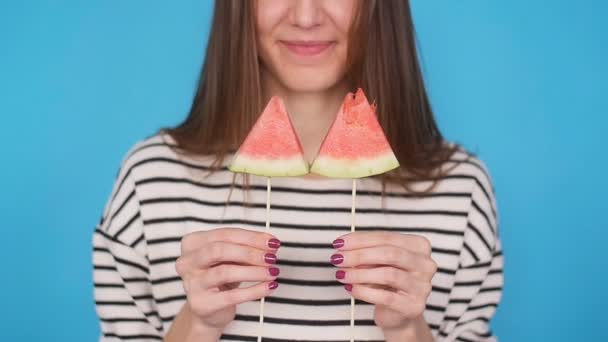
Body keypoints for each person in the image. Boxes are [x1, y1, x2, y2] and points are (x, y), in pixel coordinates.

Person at [92, 0, 503, 341]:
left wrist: (407, 330)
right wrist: (197, 325)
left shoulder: (459, 188)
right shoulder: (149, 179)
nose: (306, 17)